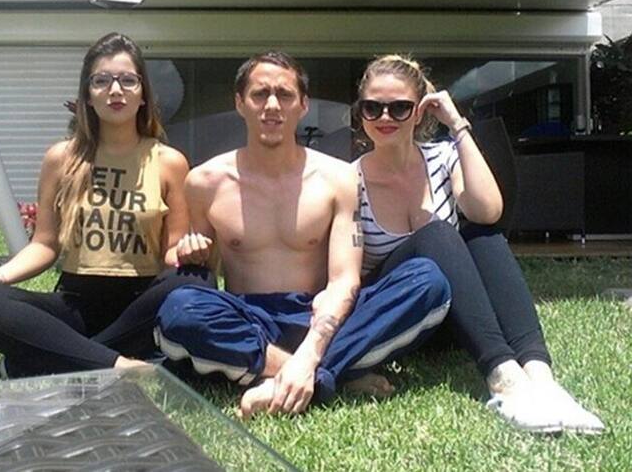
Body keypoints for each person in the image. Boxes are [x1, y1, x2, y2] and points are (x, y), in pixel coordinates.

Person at [154, 51, 451, 418]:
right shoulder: (205, 182)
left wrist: (311, 350)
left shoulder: (338, 178)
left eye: (285, 95)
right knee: (180, 309)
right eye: (260, 94)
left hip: (317, 314)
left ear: (303, 105)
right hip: (249, 318)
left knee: (427, 281)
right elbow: (201, 270)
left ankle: (292, 374)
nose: (272, 106)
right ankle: (326, 374)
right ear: (240, 103)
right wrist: (191, 251)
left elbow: (344, 279)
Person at [352, 54, 604, 434]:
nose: (385, 117)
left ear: (420, 112)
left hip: (452, 317)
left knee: (482, 236)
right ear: (362, 112)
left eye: (399, 107)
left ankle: (541, 377)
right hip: (400, 314)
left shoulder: (442, 157)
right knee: (437, 233)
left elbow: (488, 211)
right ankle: (504, 378)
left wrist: (457, 125)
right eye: (373, 107)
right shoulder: (348, 180)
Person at [0, 32, 214, 377]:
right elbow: (45, 244)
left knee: (198, 280)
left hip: (140, 307)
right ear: (87, 96)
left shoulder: (169, 162)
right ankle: (117, 364)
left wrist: (190, 253)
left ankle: (54, 358)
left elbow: (172, 252)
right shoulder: (61, 159)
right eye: (102, 80)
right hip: (75, 303)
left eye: (128, 80)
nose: (115, 90)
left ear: (143, 95)